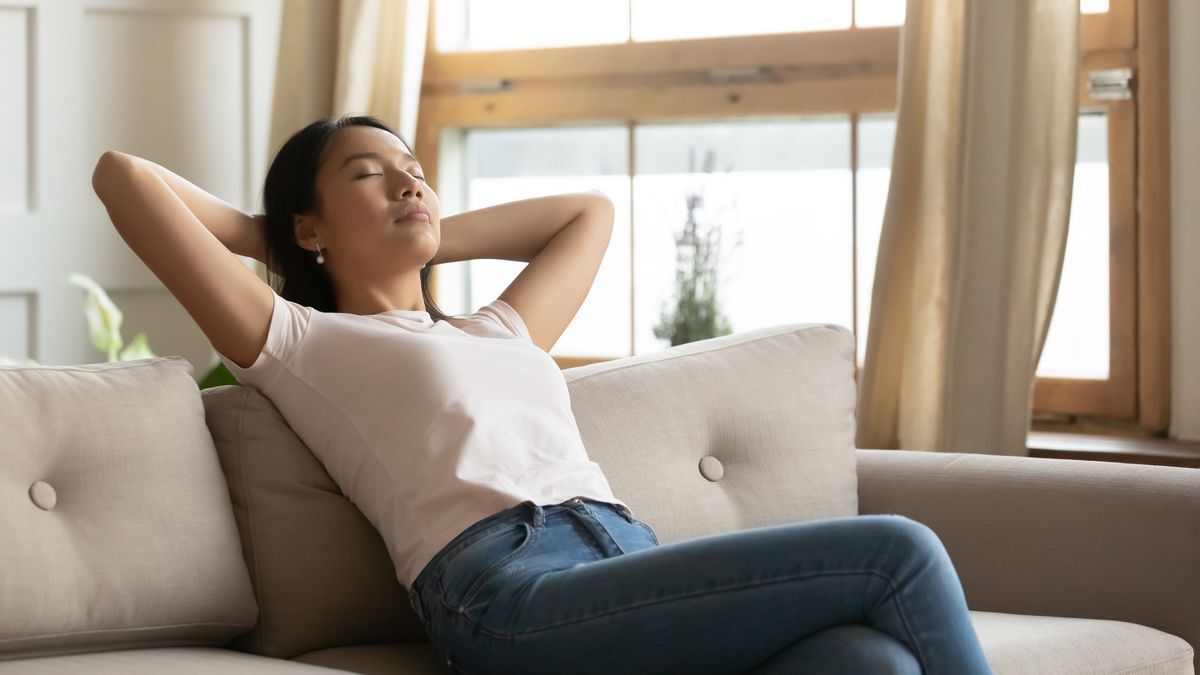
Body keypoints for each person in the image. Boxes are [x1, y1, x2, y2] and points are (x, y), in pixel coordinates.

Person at [91, 114, 993, 675]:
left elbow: (588, 212)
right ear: (310, 224)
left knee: (867, 662)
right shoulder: (299, 340)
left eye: (415, 168)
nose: (408, 180)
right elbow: (122, 177)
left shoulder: (499, 329)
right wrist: (278, 241)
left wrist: (417, 225)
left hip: (624, 558)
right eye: (368, 172)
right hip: (507, 594)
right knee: (897, 551)